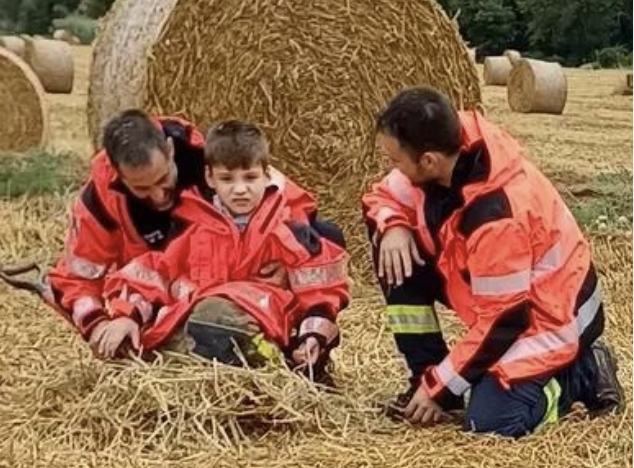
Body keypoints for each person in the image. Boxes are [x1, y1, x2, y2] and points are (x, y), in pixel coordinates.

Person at [362, 86, 624, 437]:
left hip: (554, 315)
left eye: (395, 160)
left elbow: (505, 320)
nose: (390, 168)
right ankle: (424, 373)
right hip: (503, 297)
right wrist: (393, 226)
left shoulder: (497, 215)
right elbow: (382, 195)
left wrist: (441, 387)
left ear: (428, 161)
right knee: (392, 254)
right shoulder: (448, 146)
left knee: (490, 424)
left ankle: (582, 374)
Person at [42, 110, 344, 353]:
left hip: (246, 286)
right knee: (207, 326)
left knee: (326, 237)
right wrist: (102, 324)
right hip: (159, 293)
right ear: (118, 174)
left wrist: (285, 261)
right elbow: (76, 277)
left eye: (163, 179)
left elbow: (288, 202)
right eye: (142, 189)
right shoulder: (100, 199)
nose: (159, 196)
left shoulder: (215, 160)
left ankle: (300, 349)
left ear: (171, 151)